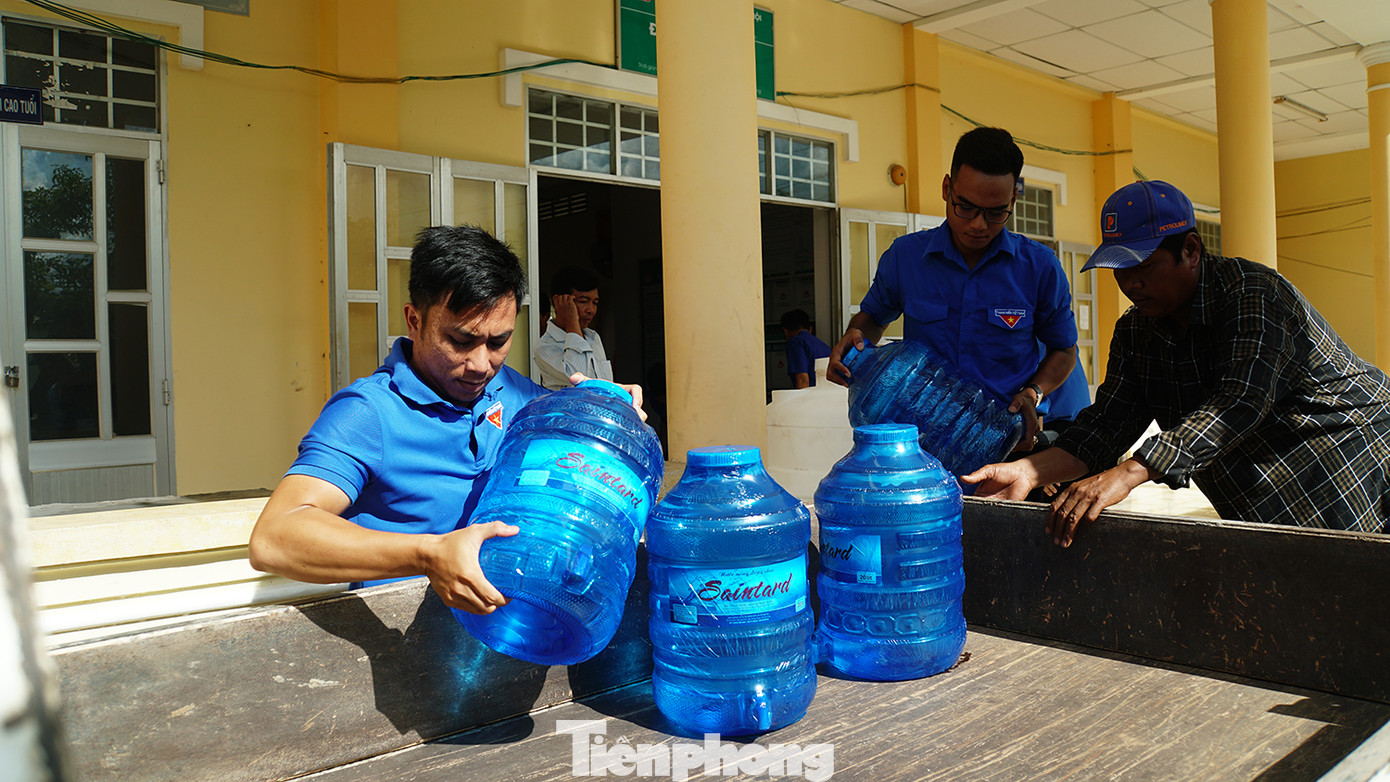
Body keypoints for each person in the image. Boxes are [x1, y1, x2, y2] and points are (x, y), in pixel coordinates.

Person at [965, 179, 1390, 545]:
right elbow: (1106, 428)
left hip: (1353, 469)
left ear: (1190, 250)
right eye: (1118, 269)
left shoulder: (1255, 295)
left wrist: (1130, 473)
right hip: (1266, 502)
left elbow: (1238, 405)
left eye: (1143, 266)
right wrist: (1027, 472)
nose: (1130, 283)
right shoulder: (1136, 331)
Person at [248, 225, 643, 615]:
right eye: (460, 340)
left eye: (498, 341)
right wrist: (428, 554)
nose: (480, 364)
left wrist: (608, 410)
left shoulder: (519, 397)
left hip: (510, 631)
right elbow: (274, 538)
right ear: (414, 320)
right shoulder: (369, 413)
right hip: (402, 641)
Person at [827, 127, 1078, 451]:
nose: (978, 224)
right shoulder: (905, 258)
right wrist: (855, 339)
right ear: (947, 189)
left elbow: (1064, 350)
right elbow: (872, 319)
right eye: (966, 207)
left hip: (1005, 443)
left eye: (996, 212)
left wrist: (1034, 392)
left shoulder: (1040, 267)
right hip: (919, 448)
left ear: (1014, 199)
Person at [534, 265, 613, 390]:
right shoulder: (545, 347)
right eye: (583, 301)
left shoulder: (593, 337)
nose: (591, 310)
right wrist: (572, 323)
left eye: (595, 303)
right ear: (559, 301)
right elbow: (579, 376)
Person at [780, 309, 832, 388]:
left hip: (813, 394)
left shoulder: (795, 343)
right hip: (830, 392)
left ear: (785, 331)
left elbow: (802, 381)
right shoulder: (824, 346)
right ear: (810, 329)